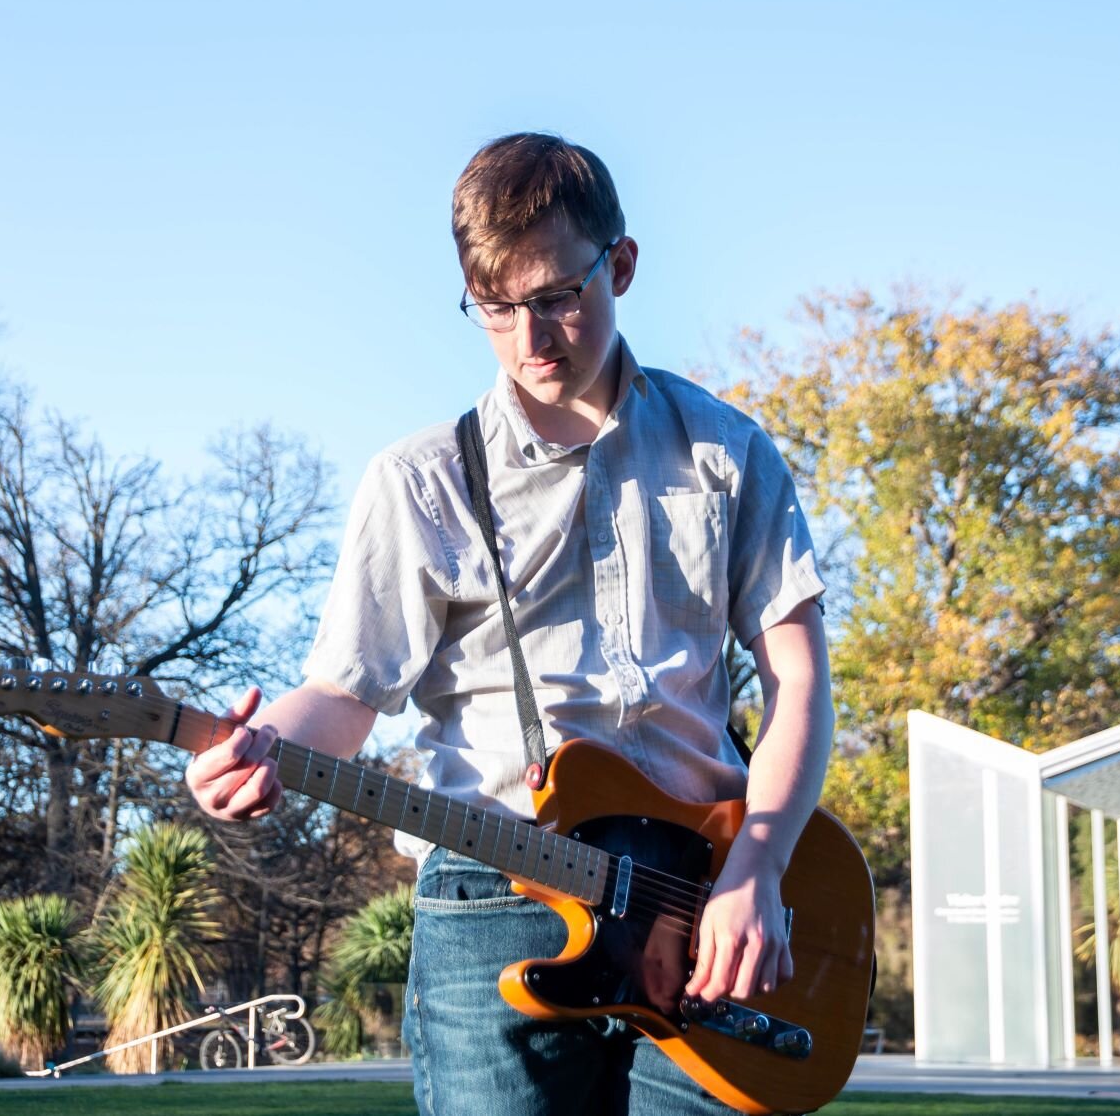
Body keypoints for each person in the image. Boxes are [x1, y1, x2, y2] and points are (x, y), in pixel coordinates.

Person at [186, 132, 834, 1115]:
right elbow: (345, 694)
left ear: (621, 265)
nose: (530, 337)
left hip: (703, 895)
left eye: (556, 296)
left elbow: (800, 679)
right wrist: (255, 749)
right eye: (493, 306)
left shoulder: (726, 451)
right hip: (494, 902)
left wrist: (761, 861)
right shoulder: (420, 480)